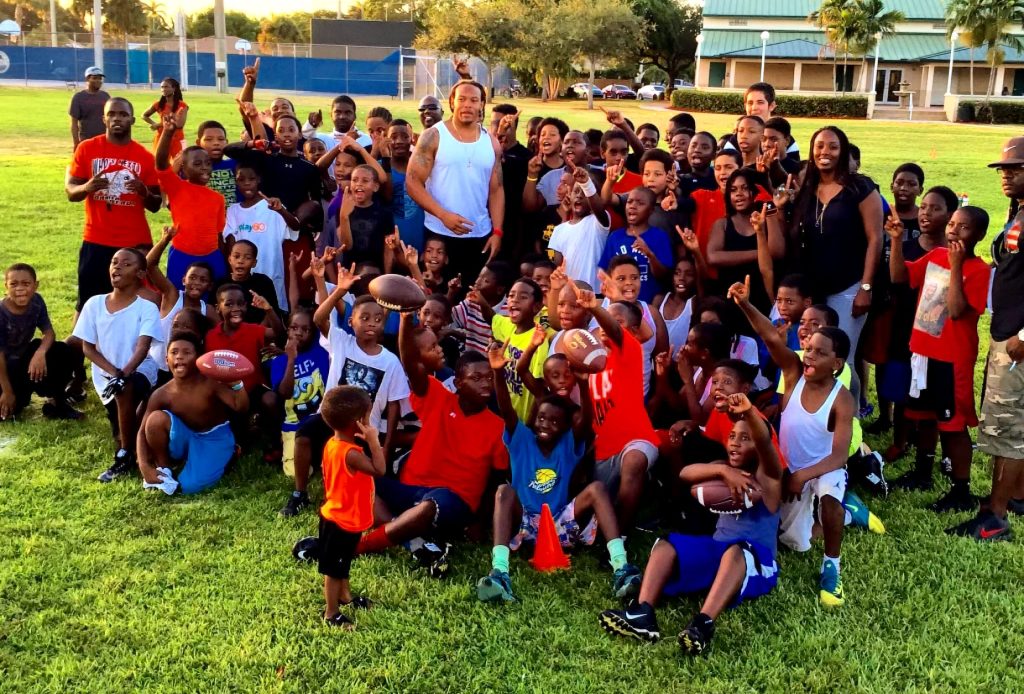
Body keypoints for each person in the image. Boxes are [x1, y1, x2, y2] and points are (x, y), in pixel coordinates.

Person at [599, 393, 783, 654]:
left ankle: (703, 623)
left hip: (755, 560)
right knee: (667, 543)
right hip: (719, 554)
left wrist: (750, 412)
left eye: (745, 438)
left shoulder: (770, 477)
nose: (735, 443)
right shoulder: (722, 467)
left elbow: (765, 441)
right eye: (732, 436)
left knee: (736, 551)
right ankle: (643, 613)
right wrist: (722, 471)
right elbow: (686, 474)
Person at [477, 341, 641, 603]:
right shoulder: (521, 438)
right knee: (503, 491)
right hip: (524, 524)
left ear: (566, 427)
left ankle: (621, 566)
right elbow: (507, 409)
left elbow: (585, 420)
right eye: (542, 418)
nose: (546, 424)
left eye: (554, 421)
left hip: (559, 524)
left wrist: (585, 384)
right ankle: (499, 571)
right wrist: (498, 373)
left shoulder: (568, 444)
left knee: (597, 489)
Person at [354, 313, 509, 579]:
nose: (485, 384)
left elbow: (496, 479)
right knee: (357, 474)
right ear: (459, 383)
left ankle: (363, 545)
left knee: (428, 507)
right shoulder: (438, 396)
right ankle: (412, 540)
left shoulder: (497, 425)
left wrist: (479, 523)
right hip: (413, 487)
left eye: (489, 379)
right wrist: (404, 320)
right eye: (476, 378)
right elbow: (411, 362)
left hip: (454, 500)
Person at [730, 276, 855, 606]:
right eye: (809, 349)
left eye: (820, 353)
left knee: (830, 489)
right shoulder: (795, 372)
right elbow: (770, 337)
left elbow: (839, 455)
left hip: (821, 469)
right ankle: (841, 513)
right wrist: (744, 303)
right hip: (787, 470)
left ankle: (832, 566)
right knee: (794, 542)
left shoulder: (842, 400)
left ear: (837, 363)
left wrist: (804, 475)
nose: (810, 356)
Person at [887, 206, 990, 512]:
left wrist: (957, 265)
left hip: (952, 358)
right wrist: (894, 240)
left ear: (979, 235)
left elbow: (957, 310)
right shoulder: (934, 256)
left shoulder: (978, 270)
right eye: (954, 224)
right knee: (924, 417)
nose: (955, 231)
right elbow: (899, 276)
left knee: (953, 424)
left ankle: (961, 489)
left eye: (964, 227)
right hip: (923, 350)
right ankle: (922, 472)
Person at [949, 137, 1024, 540]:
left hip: (1017, 338)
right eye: (1004, 169)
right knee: (1012, 422)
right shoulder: (1020, 211)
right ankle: (1014, 495)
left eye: (1015, 169)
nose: (1006, 175)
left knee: (1009, 428)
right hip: (1007, 329)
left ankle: (995, 517)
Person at [783, 126, 883, 387]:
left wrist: (866, 287)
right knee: (813, 355)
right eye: (819, 146)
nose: (825, 152)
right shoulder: (808, 189)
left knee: (841, 359)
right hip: (814, 287)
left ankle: (851, 420)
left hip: (849, 286)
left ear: (843, 151)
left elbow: (875, 238)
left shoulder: (860, 187)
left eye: (832, 147)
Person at [571, 280, 659, 532]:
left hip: (637, 440)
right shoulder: (594, 363)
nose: (605, 326)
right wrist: (583, 385)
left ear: (631, 330)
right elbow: (590, 419)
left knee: (633, 461)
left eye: (616, 321)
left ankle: (620, 536)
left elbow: (617, 332)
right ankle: (645, 501)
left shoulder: (630, 349)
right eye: (603, 321)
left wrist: (596, 308)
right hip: (604, 449)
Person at [72, 248, 162, 482]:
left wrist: (124, 374)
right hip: (106, 377)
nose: (117, 267)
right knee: (121, 429)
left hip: (140, 370)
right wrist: (115, 373)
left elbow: (143, 348)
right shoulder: (94, 304)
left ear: (141, 273)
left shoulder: (146, 307)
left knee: (125, 391)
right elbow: (87, 348)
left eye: (126, 263)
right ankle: (130, 445)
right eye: (114, 262)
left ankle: (123, 456)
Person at [66, 97, 161, 313]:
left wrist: (143, 191)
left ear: (133, 120)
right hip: (96, 238)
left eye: (123, 114)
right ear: (104, 119)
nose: (117, 118)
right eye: (111, 114)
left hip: (135, 242)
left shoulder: (144, 157)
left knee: (136, 304)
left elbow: (155, 205)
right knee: (88, 304)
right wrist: (87, 187)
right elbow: (71, 191)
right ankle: (79, 346)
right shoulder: (87, 149)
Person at [407, 80, 504, 282]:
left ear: (481, 105)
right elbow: (413, 182)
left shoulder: (491, 142)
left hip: (480, 235)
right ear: (452, 102)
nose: (467, 104)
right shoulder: (433, 136)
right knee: (438, 303)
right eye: (462, 99)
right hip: (440, 234)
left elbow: (496, 190)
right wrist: (443, 215)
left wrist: (497, 231)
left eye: (474, 100)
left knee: (472, 300)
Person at [136, 331, 248, 495]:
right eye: (174, 352)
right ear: (166, 360)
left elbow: (241, 407)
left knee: (189, 487)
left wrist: (237, 385)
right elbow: (142, 431)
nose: (179, 357)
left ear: (199, 360)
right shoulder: (162, 394)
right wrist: (144, 466)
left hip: (214, 439)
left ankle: (228, 455)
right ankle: (165, 467)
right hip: (186, 436)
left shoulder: (210, 383)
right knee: (155, 420)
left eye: (187, 352)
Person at [316, 385, 385, 629]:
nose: (370, 420)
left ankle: (345, 596)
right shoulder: (351, 454)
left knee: (343, 563)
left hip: (343, 516)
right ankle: (331, 612)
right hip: (341, 521)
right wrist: (374, 441)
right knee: (334, 570)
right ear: (357, 422)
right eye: (367, 415)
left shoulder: (333, 444)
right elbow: (380, 469)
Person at [0, 263, 81, 421]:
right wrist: (7, 391)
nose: (20, 289)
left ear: (35, 286)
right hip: (4, 369)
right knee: (10, 411)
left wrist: (40, 352)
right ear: (6, 286)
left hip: (23, 361)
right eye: (14, 284)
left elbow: (49, 333)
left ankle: (57, 401)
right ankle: (16, 395)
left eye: (26, 283)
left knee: (60, 350)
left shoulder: (36, 301)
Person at [155, 114, 228, 286]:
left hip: (212, 257)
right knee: (179, 297)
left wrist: (223, 260)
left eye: (207, 163)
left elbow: (218, 235)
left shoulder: (217, 198)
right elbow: (160, 163)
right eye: (197, 164)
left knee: (212, 297)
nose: (204, 167)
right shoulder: (177, 187)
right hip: (182, 255)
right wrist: (167, 133)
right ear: (183, 169)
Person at [223, 165, 300, 310]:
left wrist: (281, 211)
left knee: (272, 313)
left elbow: (295, 227)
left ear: (259, 180)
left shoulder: (271, 207)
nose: (247, 183)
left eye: (251, 179)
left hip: (271, 274)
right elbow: (230, 242)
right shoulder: (233, 211)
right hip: (244, 278)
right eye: (241, 179)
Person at [598, 187, 672, 304]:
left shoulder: (659, 237)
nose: (633, 206)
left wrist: (649, 254)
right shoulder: (615, 237)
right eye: (629, 202)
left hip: (648, 306)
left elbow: (664, 276)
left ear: (651, 210)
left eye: (640, 203)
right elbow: (604, 271)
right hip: (619, 305)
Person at [547, 160, 610, 290]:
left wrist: (586, 184)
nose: (579, 196)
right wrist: (565, 216)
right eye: (576, 191)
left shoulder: (598, 222)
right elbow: (555, 261)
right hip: (568, 294)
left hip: (594, 293)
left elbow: (598, 208)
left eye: (585, 193)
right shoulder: (559, 229)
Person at [387, 119, 426, 252]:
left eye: (405, 136)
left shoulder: (421, 165)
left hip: (419, 234)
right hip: (392, 241)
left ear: (412, 139)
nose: (399, 141)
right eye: (393, 137)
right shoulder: (382, 166)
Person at [196, 120, 239, 207]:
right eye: (209, 139)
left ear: (227, 142)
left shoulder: (235, 164)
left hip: (234, 219)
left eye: (221, 139)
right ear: (198, 143)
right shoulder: (192, 170)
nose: (216, 143)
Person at [143, 78, 187, 159]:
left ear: (174, 88)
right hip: (161, 137)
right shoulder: (158, 104)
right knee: (158, 163)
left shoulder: (182, 105)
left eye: (166, 87)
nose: (163, 89)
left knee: (181, 162)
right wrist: (153, 123)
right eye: (162, 87)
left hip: (177, 138)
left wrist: (159, 124)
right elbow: (144, 115)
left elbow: (180, 125)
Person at [69, 66, 109, 151]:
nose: (98, 81)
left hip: (104, 141)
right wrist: (76, 143)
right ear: (87, 79)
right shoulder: (79, 97)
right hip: (86, 141)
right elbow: (74, 123)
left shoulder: (105, 96)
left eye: (100, 78)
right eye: (94, 78)